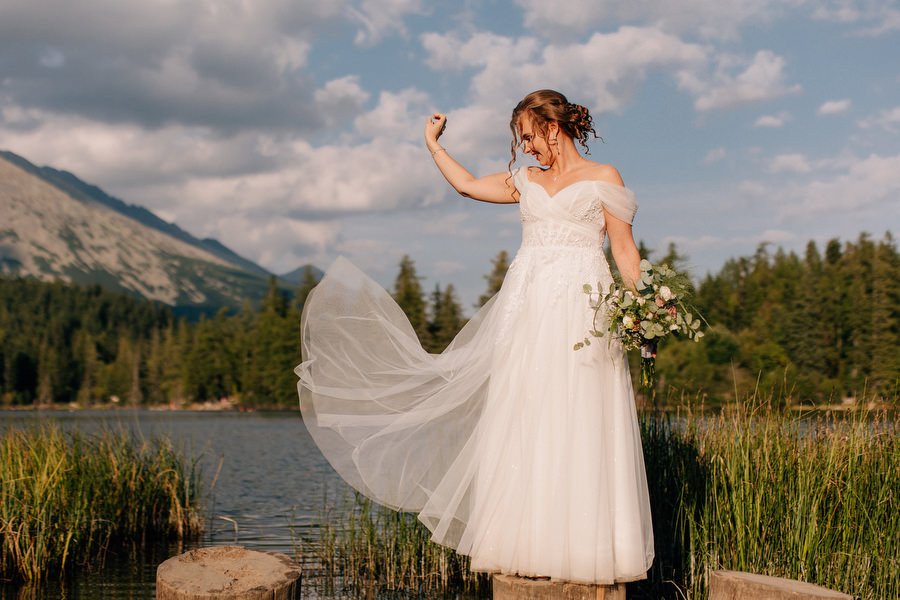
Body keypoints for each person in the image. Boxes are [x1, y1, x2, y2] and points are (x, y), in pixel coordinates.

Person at [296, 89, 654, 585]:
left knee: (582, 412)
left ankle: (586, 548)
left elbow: (625, 253)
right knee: (525, 414)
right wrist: (433, 144)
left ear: (553, 128)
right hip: (526, 313)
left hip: (583, 312)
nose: (525, 148)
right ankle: (527, 544)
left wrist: (648, 311)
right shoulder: (524, 182)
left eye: (528, 137)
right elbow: (466, 185)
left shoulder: (604, 179)